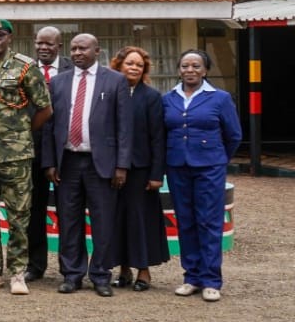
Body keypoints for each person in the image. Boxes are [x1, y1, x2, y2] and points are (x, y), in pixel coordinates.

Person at [41, 33, 132, 297]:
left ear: (97, 50)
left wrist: (122, 166)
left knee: (103, 222)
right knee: (69, 221)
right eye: (73, 49)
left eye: (83, 48)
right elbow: (49, 126)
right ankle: (72, 274)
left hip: (101, 164)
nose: (78, 53)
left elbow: (125, 128)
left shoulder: (115, 81)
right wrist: (49, 162)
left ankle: (101, 275)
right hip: (66, 161)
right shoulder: (58, 82)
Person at [0, 18, 51, 295]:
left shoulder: (25, 67)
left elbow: (44, 109)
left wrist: (21, 131)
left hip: (15, 155)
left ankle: (17, 273)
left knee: (18, 217)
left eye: (0, 34)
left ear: (10, 38)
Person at [162, 49, 241, 302]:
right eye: (185, 66)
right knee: (185, 221)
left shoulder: (219, 98)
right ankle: (191, 277)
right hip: (177, 167)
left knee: (208, 221)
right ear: (179, 70)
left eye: (196, 66)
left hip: (209, 168)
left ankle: (211, 280)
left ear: (205, 70)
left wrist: (216, 158)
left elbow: (234, 136)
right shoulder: (168, 98)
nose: (190, 70)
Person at [111, 46, 170, 291]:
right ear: (118, 65)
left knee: (140, 220)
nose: (134, 68)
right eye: (129, 63)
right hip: (111, 170)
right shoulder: (109, 92)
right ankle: (123, 269)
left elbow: (158, 138)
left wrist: (157, 174)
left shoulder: (151, 96)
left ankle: (143, 271)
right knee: (117, 220)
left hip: (141, 170)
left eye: (139, 65)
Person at [27, 25, 72, 282]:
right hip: (33, 152)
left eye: (50, 44)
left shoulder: (72, 69)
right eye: (40, 43)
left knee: (68, 211)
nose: (44, 47)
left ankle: (70, 267)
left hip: (66, 152)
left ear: (59, 45)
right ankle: (36, 264)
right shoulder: (25, 69)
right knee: (34, 211)